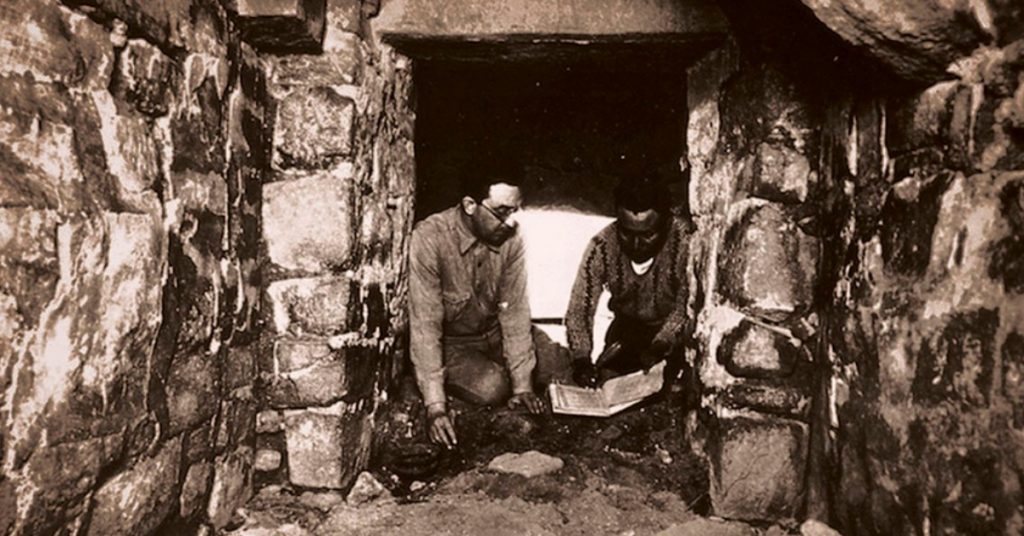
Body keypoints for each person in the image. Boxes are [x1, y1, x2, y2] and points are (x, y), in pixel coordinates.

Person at [409, 179, 567, 449]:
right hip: (455, 344)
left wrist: (523, 387)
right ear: (470, 205)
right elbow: (426, 327)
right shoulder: (430, 237)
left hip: (495, 333)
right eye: (503, 211)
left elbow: (515, 311)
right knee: (492, 388)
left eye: (517, 210)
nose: (511, 222)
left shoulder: (512, 239)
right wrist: (435, 407)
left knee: (560, 364)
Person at [565, 177, 693, 389]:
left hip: (671, 340)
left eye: (648, 235)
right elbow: (580, 308)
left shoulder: (685, 243)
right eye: (626, 233)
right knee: (608, 384)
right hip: (627, 333)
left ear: (666, 223)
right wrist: (581, 358)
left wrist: (661, 345)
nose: (636, 245)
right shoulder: (602, 246)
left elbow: (684, 307)